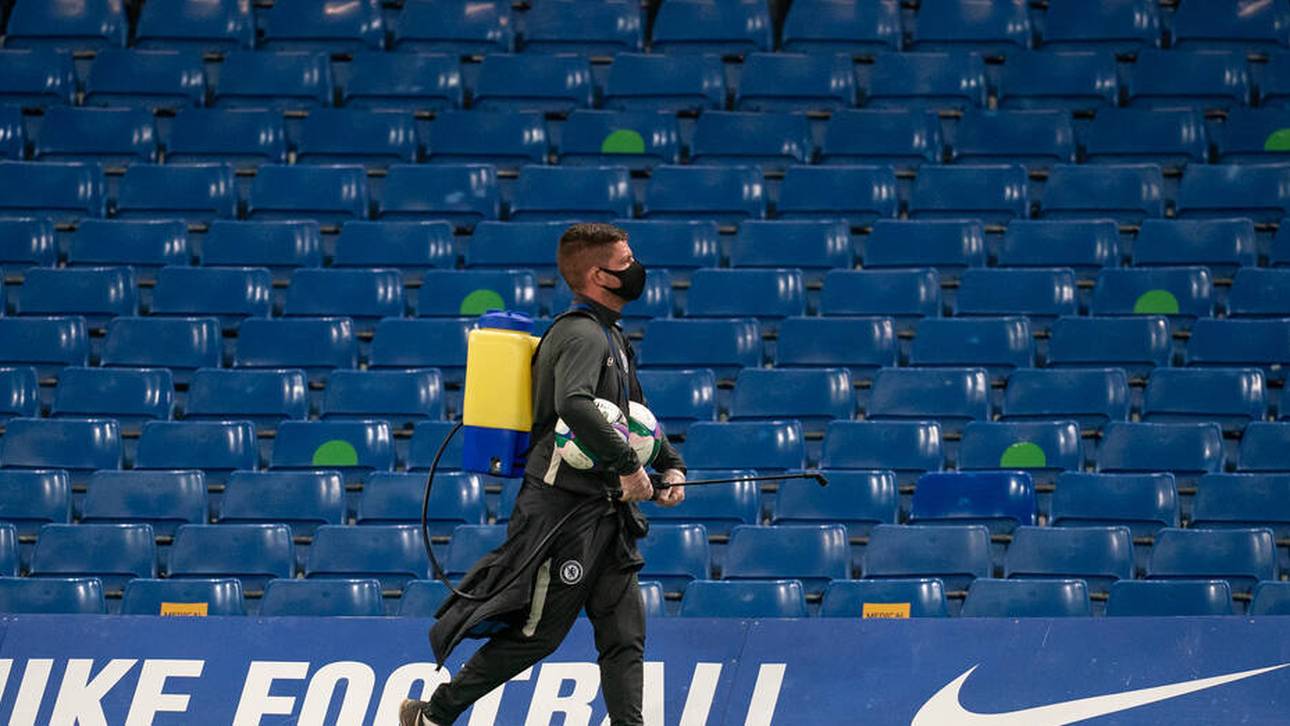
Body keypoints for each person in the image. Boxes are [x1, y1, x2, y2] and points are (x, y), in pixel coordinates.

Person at [401, 223, 687, 726]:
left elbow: (635, 417)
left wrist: (670, 465)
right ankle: (432, 715)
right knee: (538, 634)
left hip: (606, 514)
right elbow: (573, 405)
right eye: (626, 262)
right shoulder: (580, 334)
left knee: (624, 636)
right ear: (598, 276)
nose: (636, 269)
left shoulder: (613, 336)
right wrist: (628, 469)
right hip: (562, 514)